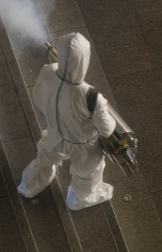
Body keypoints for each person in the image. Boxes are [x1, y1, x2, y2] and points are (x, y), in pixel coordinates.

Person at [18, 32, 116, 210]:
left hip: (55, 133)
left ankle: (29, 186)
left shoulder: (48, 71)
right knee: (87, 175)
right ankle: (77, 200)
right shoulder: (92, 97)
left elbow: (39, 98)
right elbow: (107, 130)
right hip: (84, 145)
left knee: (45, 159)